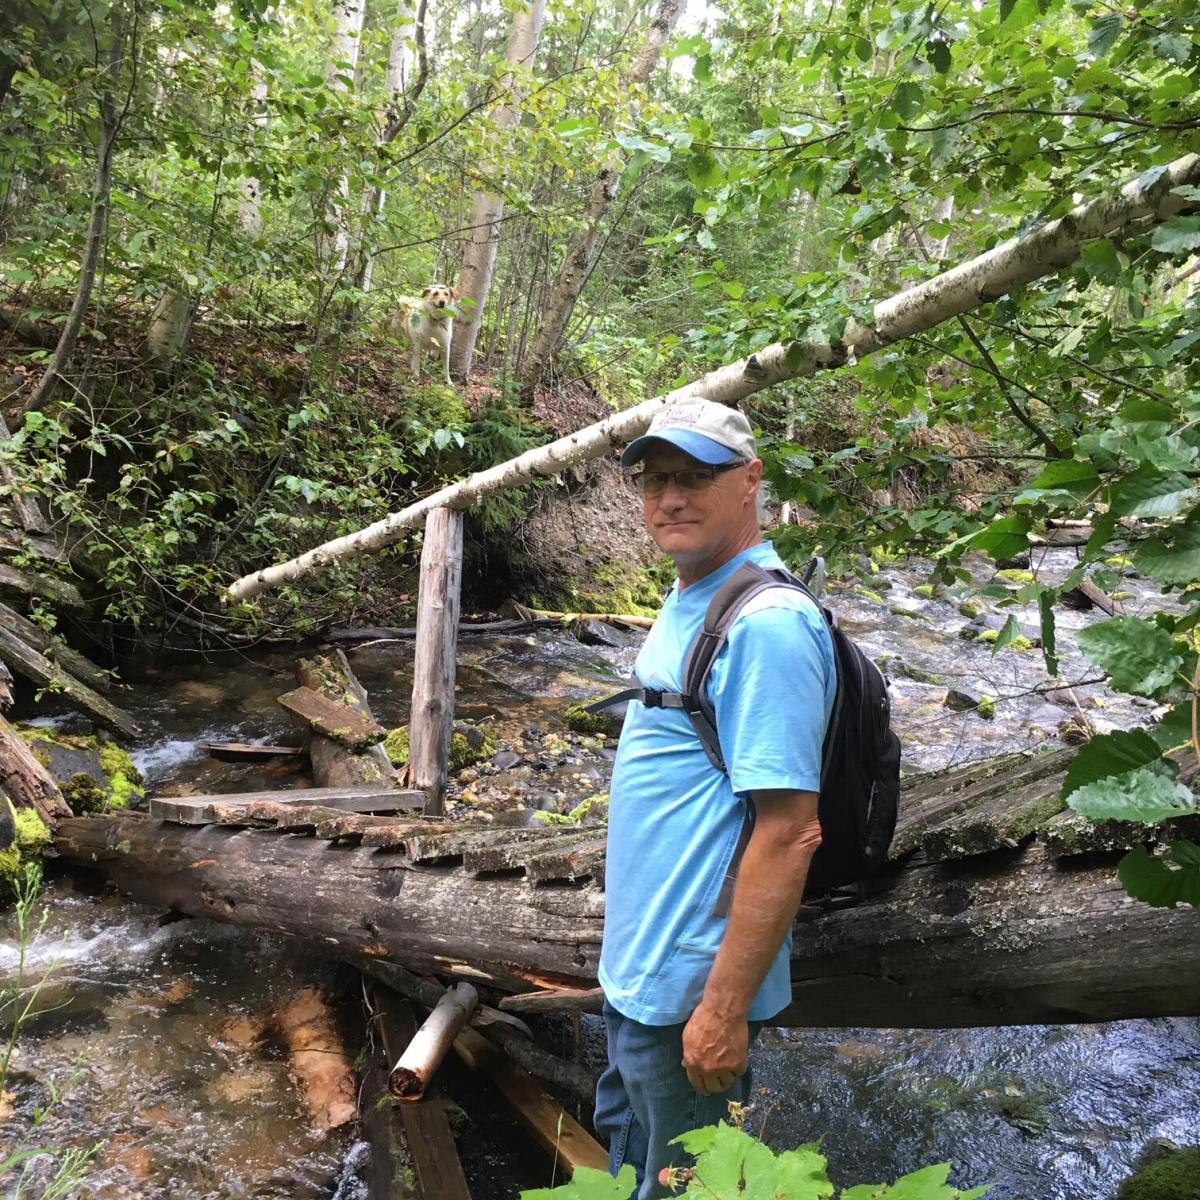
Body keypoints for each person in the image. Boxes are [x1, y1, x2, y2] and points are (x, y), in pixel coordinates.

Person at [594, 397, 836, 1198]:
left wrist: (723, 1011)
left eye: (696, 476)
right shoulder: (694, 590)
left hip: (689, 984)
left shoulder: (766, 626)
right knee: (629, 1153)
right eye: (655, 479)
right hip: (646, 969)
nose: (670, 498)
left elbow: (788, 833)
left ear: (750, 482)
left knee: (684, 1186)